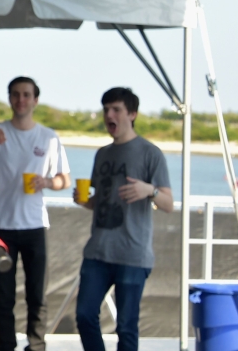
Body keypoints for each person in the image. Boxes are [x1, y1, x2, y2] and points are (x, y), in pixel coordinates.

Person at [0, 77, 70, 351]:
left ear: (35, 100)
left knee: (37, 295)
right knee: (4, 297)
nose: (21, 100)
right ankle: (6, 346)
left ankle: (36, 345)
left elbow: (64, 179)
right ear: (10, 99)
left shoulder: (49, 137)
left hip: (34, 226)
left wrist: (48, 183)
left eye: (26, 95)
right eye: (16, 94)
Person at [74, 87, 172, 351]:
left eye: (116, 109)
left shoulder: (151, 153)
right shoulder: (102, 154)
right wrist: (85, 201)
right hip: (98, 251)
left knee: (126, 326)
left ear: (132, 114)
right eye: (106, 109)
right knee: (84, 315)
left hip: (132, 254)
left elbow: (169, 203)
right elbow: (101, 201)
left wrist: (148, 190)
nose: (109, 115)